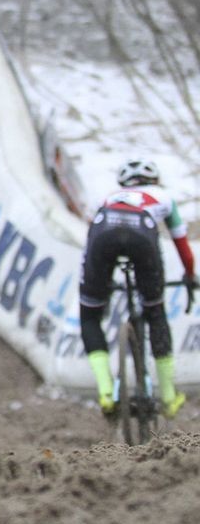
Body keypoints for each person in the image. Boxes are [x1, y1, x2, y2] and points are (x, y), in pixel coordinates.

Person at [80, 160, 197, 419]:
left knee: (89, 314)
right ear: (154, 181)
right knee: (155, 311)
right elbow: (184, 250)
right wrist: (189, 276)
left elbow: (89, 245)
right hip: (142, 234)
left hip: (104, 231)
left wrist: (96, 289)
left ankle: (106, 392)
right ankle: (167, 397)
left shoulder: (107, 198)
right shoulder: (163, 197)